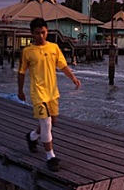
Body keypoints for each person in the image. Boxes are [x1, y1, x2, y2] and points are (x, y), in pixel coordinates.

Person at [17, 17, 81, 172]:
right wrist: (20, 90)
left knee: (52, 121)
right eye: (37, 33)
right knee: (46, 124)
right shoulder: (27, 52)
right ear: (32, 34)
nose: (41, 36)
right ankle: (50, 157)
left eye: (43, 32)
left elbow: (63, 65)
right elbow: (21, 72)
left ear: (47, 31)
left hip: (52, 92)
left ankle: (32, 137)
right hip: (37, 93)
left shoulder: (54, 47)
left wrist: (73, 78)